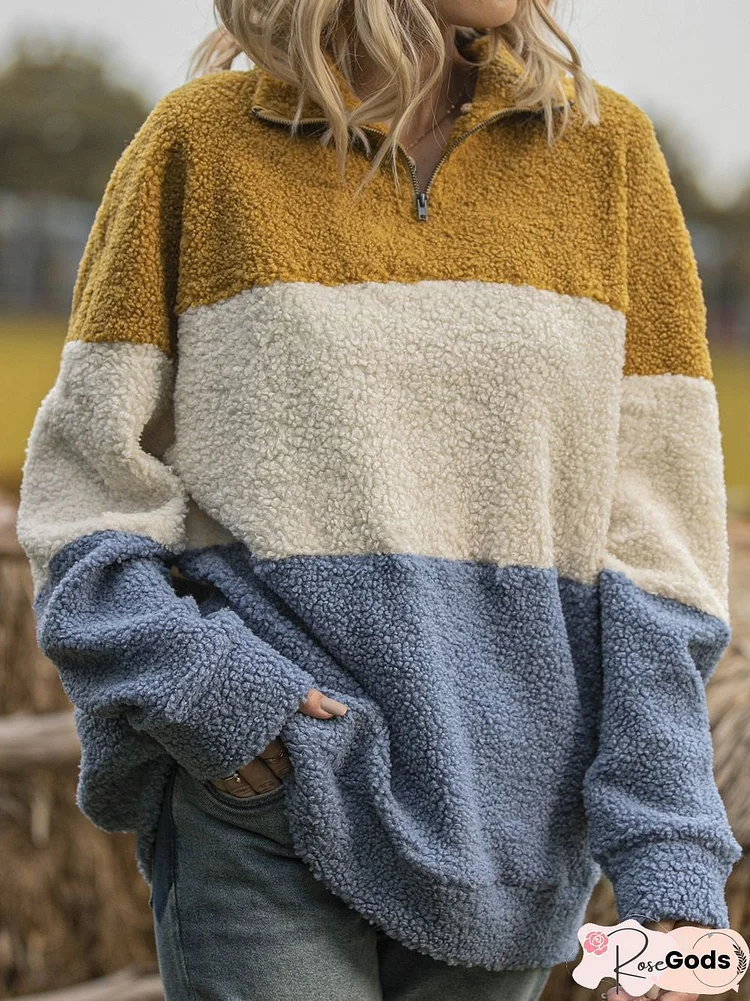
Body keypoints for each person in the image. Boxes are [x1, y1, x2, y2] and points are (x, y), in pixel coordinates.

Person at [15, 0, 742, 997]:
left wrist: (669, 852)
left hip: (521, 833)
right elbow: (83, 486)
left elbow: (660, 543)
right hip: (267, 801)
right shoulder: (200, 146)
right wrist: (211, 693)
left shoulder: (607, 157)